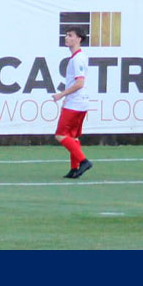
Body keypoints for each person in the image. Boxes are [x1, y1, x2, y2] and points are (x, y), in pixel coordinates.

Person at [51, 28, 92, 178]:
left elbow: (79, 83)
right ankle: (74, 168)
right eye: (66, 35)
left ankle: (83, 161)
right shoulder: (77, 57)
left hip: (76, 102)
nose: (66, 38)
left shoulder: (78, 58)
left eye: (70, 35)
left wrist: (61, 95)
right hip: (78, 102)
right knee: (73, 137)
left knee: (61, 135)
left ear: (79, 39)